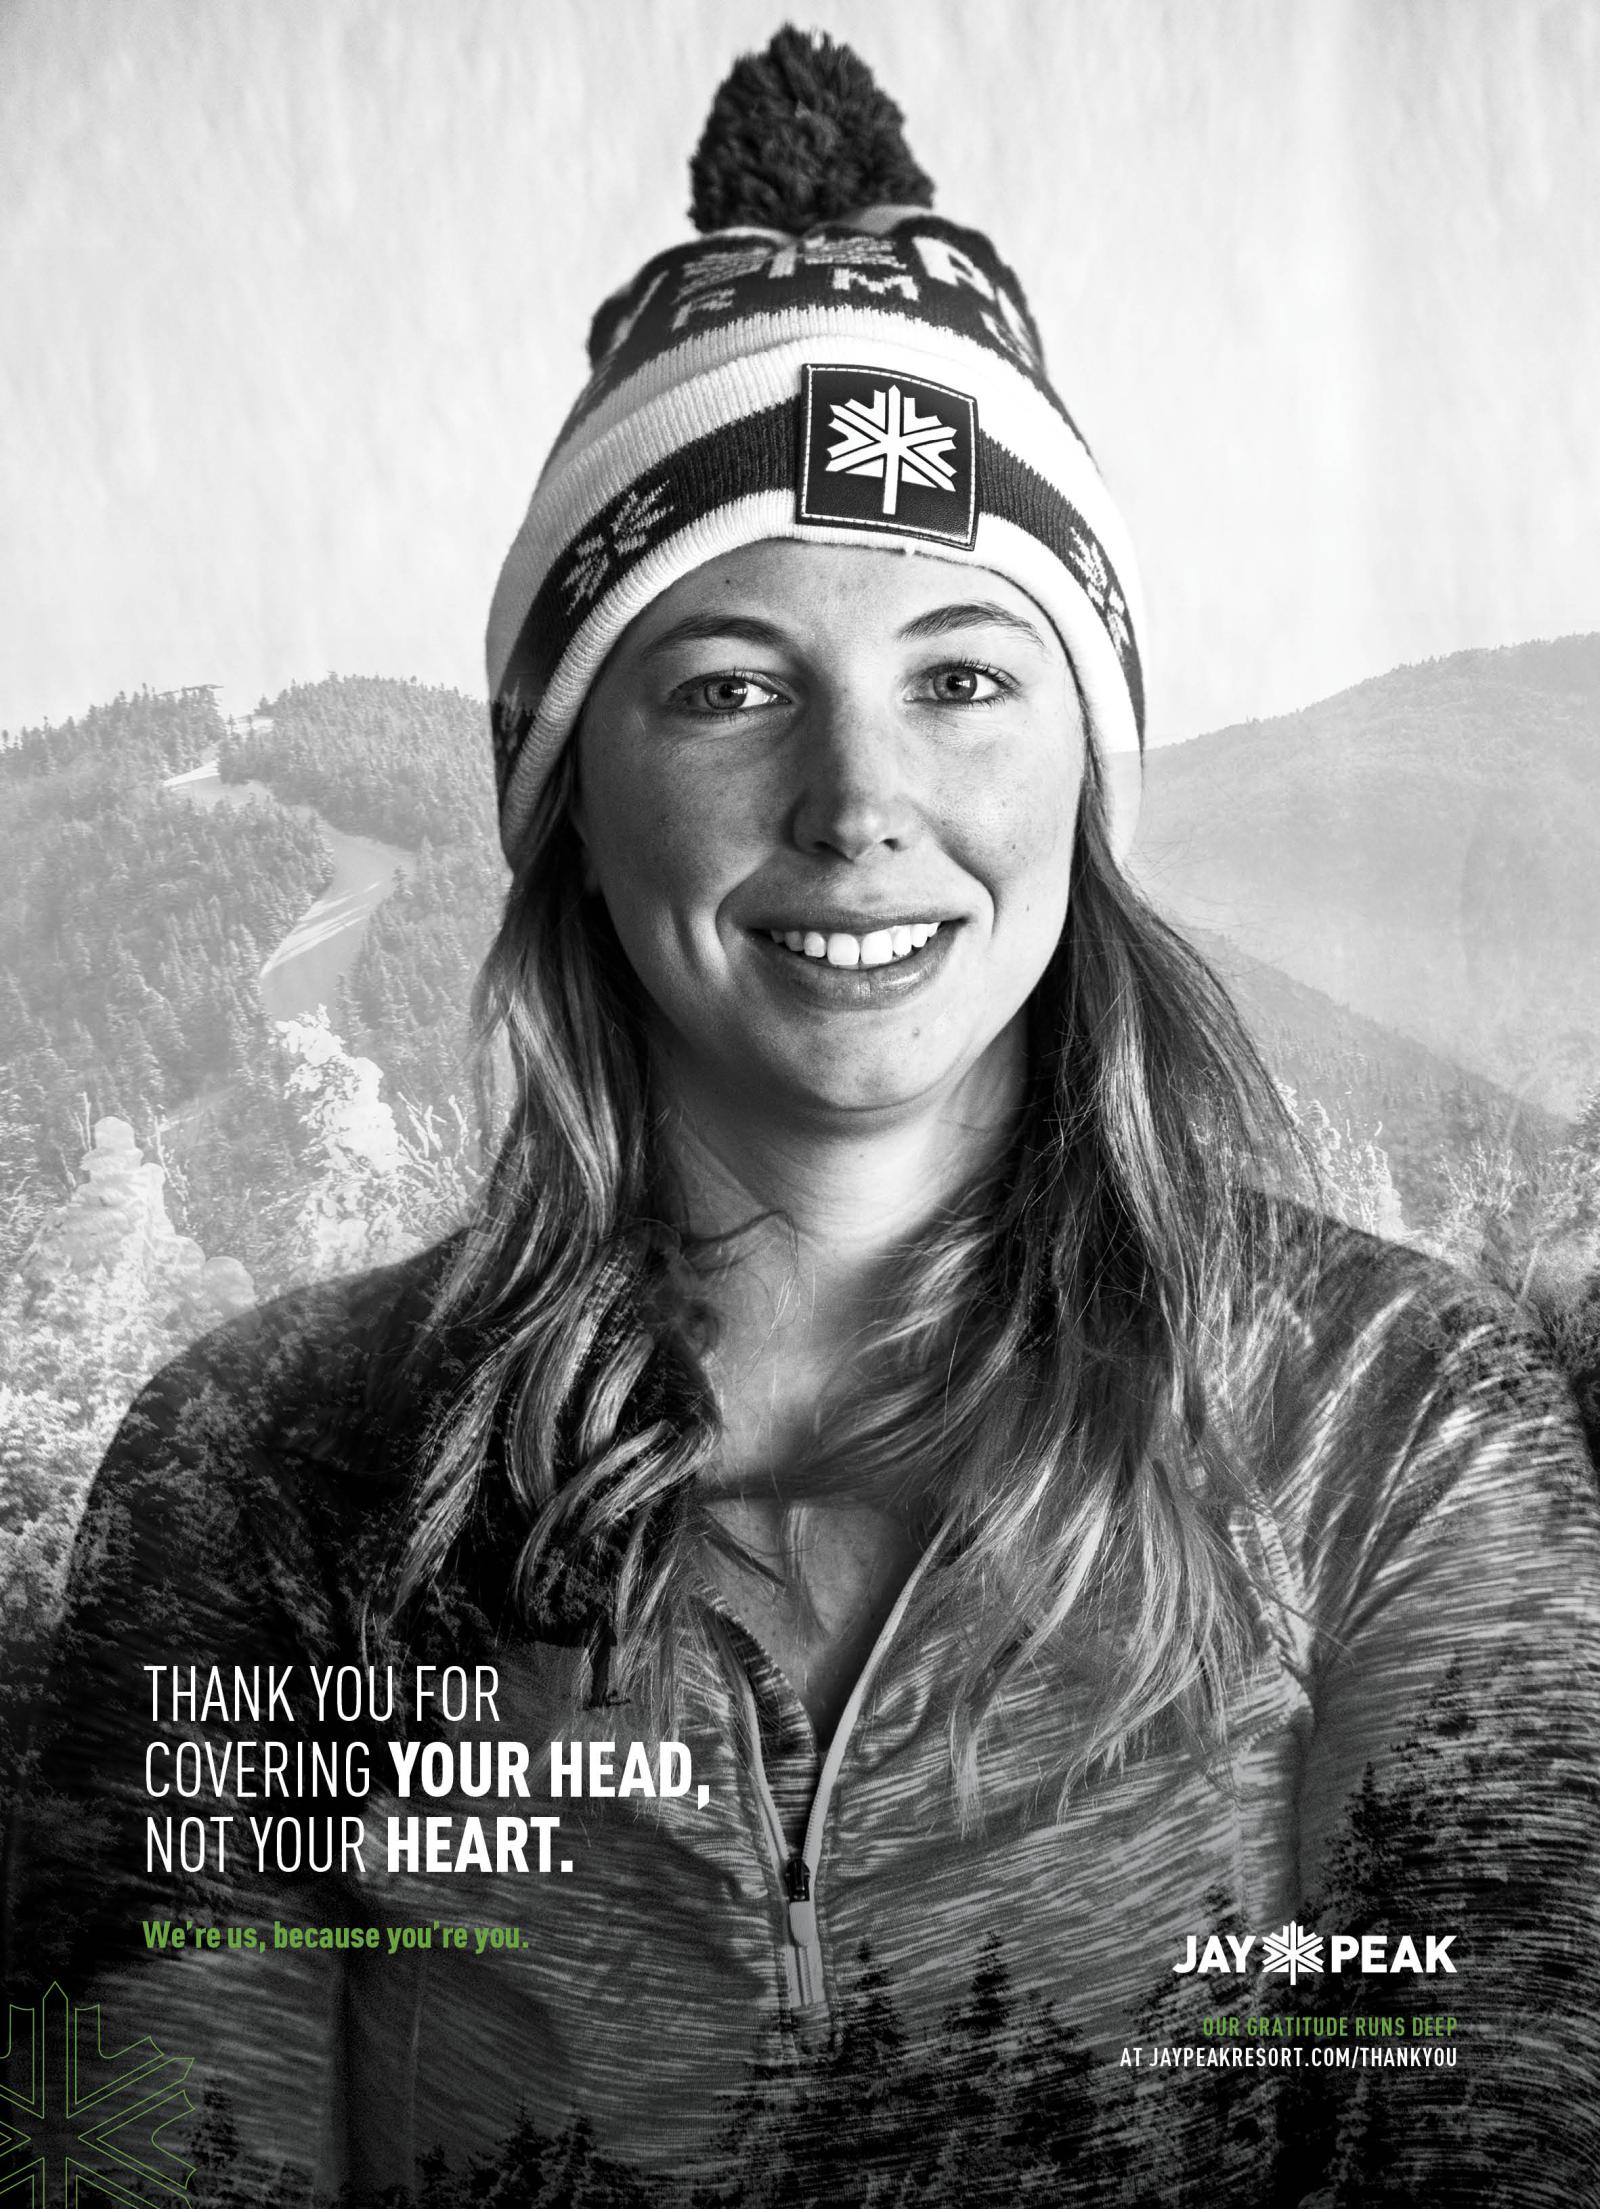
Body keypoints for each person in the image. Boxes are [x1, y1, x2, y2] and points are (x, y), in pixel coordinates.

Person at [8, 29, 1600, 2208]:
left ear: (1079, 763)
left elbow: (1482, 2127)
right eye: (730, 686)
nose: (860, 809)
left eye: (961, 674)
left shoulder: (1388, 1428)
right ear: (573, 793)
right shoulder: (267, 1478)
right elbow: (156, 2163)